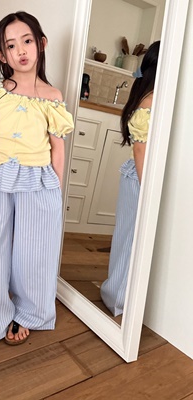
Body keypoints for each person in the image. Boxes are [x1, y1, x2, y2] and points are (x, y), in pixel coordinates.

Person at [0, 11, 74, 351]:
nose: (20, 50)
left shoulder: (52, 96)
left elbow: (57, 148)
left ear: (41, 44)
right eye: (10, 45)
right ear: (2, 55)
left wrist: (55, 190)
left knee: (34, 251)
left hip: (38, 181)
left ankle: (29, 313)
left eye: (27, 41)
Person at [100, 41, 160, 317]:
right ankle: (119, 297)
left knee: (127, 236)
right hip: (140, 177)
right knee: (131, 238)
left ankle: (118, 292)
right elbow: (140, 150)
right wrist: (148, 188)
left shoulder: (146, 96)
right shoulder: (150, 102)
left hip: (135, 175)